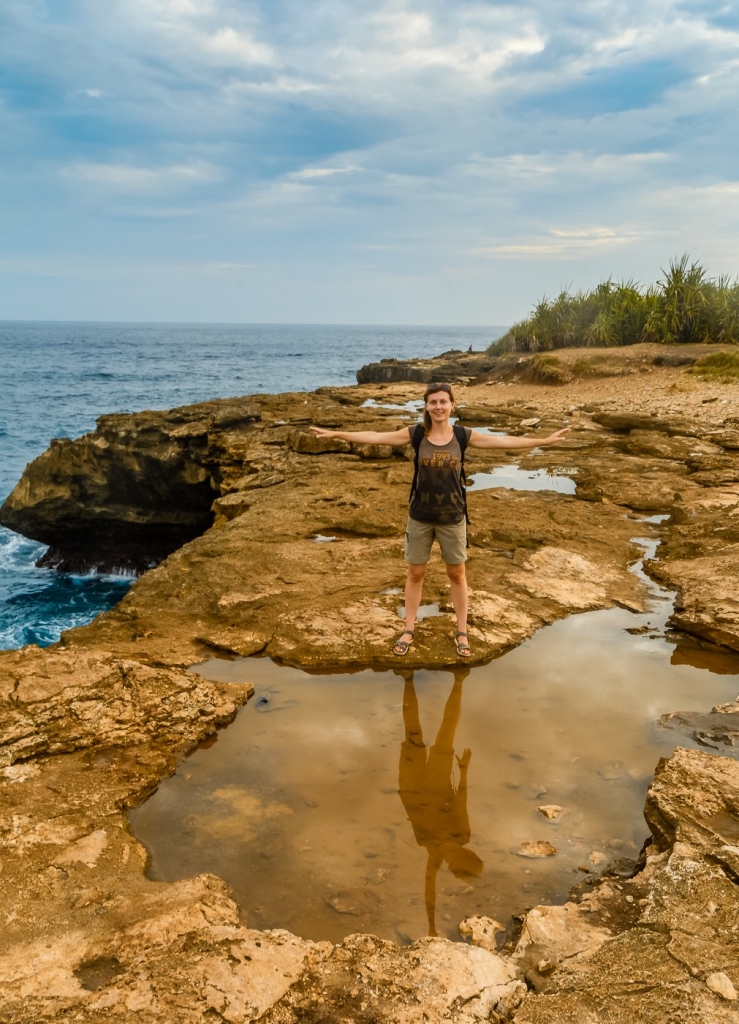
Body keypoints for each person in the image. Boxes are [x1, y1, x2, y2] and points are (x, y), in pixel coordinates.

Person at [310, 382, 569, 658]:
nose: (438, 407)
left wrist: (542, 441)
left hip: (453, 517)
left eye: (443, 402)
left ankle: (462, 631)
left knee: (457, 575)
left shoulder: (462, 435)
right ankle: (409, 628)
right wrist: (337, 433)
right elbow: (376, 437)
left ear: (452, 405)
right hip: (420, 516)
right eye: (433, 402)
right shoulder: (416, 434)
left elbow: (504, 441)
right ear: (426, 406)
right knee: (415, 573)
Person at [398, 669, 481, 936]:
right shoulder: (462, 836)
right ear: (463, 858)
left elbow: (428, 885)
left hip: (411, 790)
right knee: (447, 729)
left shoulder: (435, 854)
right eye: (458, 867)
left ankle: (408, 678)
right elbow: (462, 802)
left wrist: (432, 925)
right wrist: (464, 772)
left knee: (413, 732)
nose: (452, 866)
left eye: (455, 868)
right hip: (437, 781)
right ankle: (459, 680)